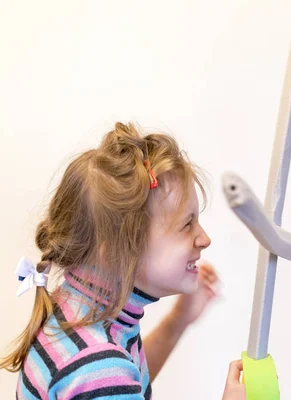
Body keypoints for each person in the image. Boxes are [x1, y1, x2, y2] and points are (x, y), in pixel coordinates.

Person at [1, 122, 246, 399]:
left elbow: (126, 383)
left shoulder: (80, 313)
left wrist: (178, 321)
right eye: (186, 225)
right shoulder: (97, 365)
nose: (203, 238)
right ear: (118, 253)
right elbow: (113, 380)